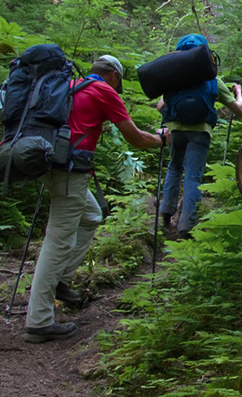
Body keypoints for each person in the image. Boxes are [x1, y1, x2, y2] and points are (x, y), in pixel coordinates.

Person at [25, 55, 169, 344]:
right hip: (70, 172)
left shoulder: (71, 85)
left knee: (91, 215)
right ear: (114, 76)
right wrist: (162, 139)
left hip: (48, 165)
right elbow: (136, 138)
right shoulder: (103, 91)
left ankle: (62, 281)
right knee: (57, 240)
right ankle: (39, 321)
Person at [156, 34, 242, 240]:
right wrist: (238, 92)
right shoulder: (212, 80)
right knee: (193, 176)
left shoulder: (174, 77)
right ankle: (186, 226)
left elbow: (160, 106)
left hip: (175, 131)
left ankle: (166, 213)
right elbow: (240, 110)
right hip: (200, 132)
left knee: (174, 167)